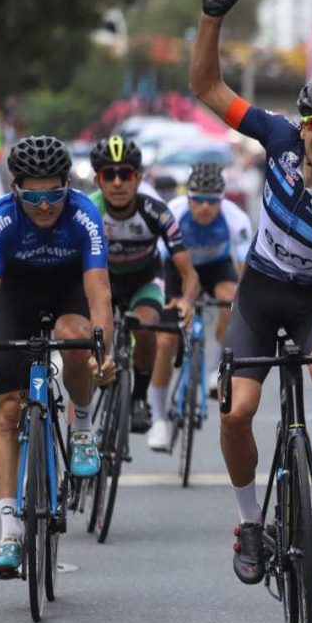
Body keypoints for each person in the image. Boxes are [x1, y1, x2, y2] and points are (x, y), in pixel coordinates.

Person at [191, 0, 312, 585]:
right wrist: (212, 16)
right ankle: (250, 522)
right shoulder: (274, 137)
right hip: (259, 294)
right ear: (303, 126)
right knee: (236, 413)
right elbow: (206, 88)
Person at [0, 135, 116, 577]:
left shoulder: (84, 214)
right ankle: (10, 531)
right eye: (33, 196)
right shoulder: (2, 220)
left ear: (68, 186)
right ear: (15, 192)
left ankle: (81, 428)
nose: (44, 206)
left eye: (54, 195)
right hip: (17, 298)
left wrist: (104, 348)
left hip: (69, 292)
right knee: (9, 410)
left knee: (76, 336)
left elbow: (99, 290)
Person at [88, 135, 199, 434]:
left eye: (125, 174)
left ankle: (139, 398)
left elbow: (188, 272)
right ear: (98, 180)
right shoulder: (88, 212)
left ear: (137, 178)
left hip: (144, 280)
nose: (117, 183)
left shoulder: (157, 212)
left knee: (147, 326)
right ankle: (82, 425)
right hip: (103, 282)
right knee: (92, 336)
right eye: (108, 175)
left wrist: (187, 301)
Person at [147, 161, 251, 450]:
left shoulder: (235, 218)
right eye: (198, 200)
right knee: (165, 340)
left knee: (231, 300)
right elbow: (154, 261)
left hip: (217, 267)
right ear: (188, 196)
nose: (204, 208)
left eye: (212, 201)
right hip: (175, 269)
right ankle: (158, 420)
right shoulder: (174, 213)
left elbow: (245, 268)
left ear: (222, 199)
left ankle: (215, 367)